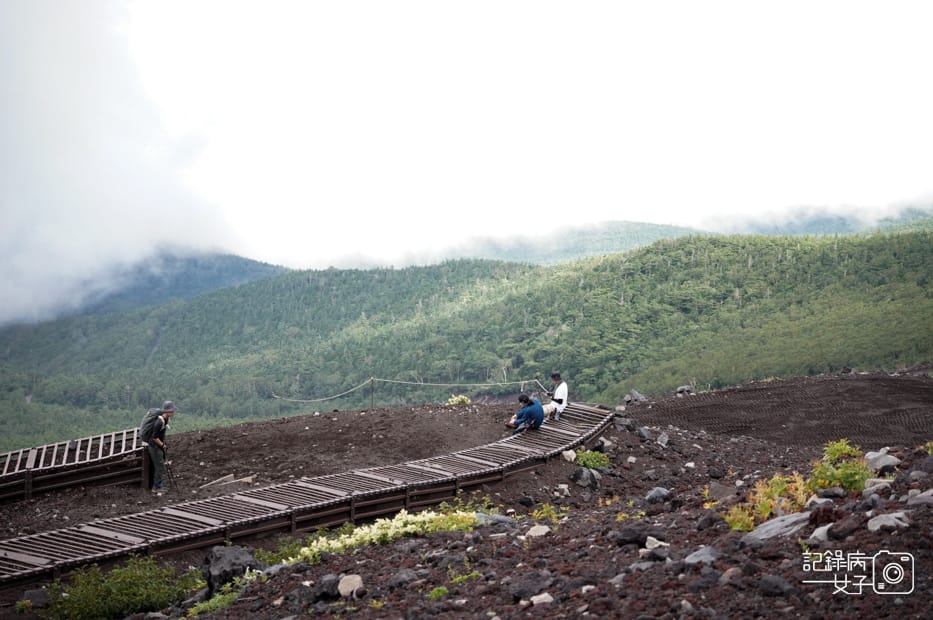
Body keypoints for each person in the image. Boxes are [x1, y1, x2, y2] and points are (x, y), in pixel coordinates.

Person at [140, 400, 176, 493]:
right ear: (167, 412)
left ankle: (158, 485)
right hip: (154, 447)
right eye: (172, 411)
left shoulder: (165, 419)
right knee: (160, 466)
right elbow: (154, 437)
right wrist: (162, 445)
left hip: (157, 446)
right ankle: (157, 487)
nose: (173, 412)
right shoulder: (159, 422)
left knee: (160, 465)